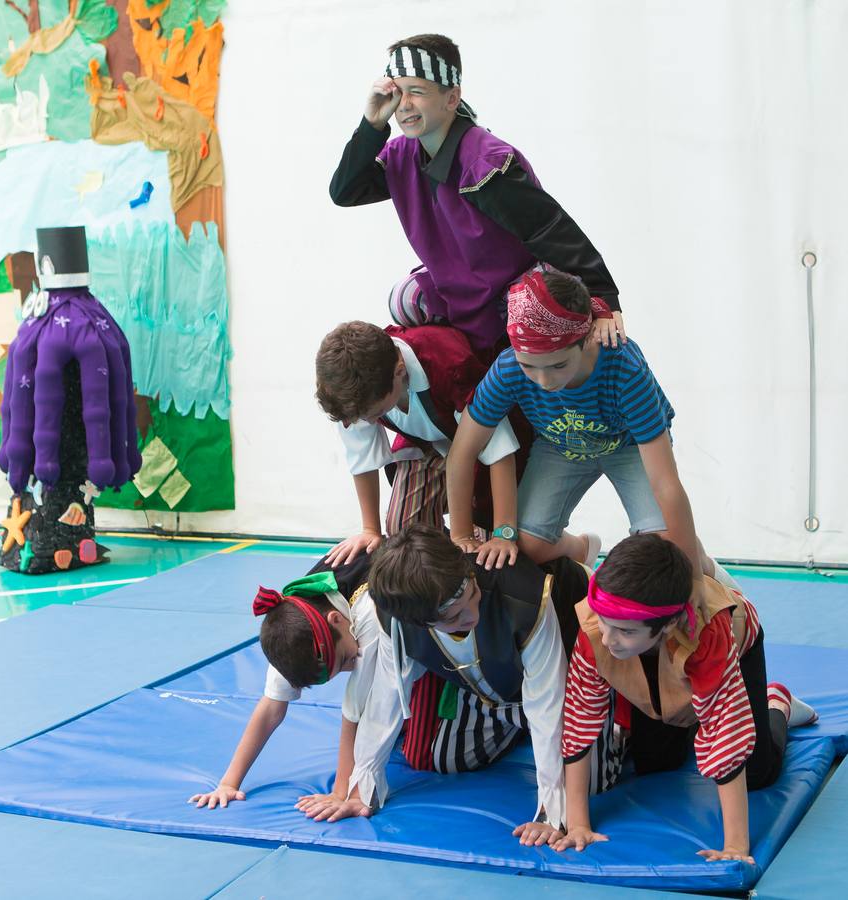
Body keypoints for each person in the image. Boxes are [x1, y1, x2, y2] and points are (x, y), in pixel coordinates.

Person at [296, 523, 591, 847]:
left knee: (589, 784)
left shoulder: (524, 596)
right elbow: (386, 698)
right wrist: (361, 788)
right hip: (494, 692)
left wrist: (552, 810)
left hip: (567, 687)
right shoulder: (395, 619)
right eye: (453, 617)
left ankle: (580, 560)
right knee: (444, 758)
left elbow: (549, 702)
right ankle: (521, 729)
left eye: (472, 595)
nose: (470, 614)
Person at [446, 266, 724, 609]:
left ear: (588, 337)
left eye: (559, 366)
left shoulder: (623, 369)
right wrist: (460, 535)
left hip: (627, 445)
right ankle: (580, 549)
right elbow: (462, 451)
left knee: (665, 547)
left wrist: (693, 578)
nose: (544, 380)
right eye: (529, 366)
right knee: (529, 547)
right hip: (560, 446)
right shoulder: (508, 369)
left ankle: (711, 570)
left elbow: (666, 483)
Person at [330, 33, 623, 354]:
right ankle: (458, 361)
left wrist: (603, 297)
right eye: (398, 93)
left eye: (417, 91)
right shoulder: (401, 154)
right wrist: (372, 124)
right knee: (404, 298)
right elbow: (346, 191)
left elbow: (547, 227)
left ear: (452, 98)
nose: (405, 104)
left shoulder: (484, 162)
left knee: (534, 310)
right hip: (459, 288)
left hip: (511, 290)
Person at [553, 534, 817, 863]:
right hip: (655, 661)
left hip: (735, 650)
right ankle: (690, 713)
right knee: (654, 762)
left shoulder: (709, 635)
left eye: (624, 630)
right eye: (606, 624)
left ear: (668, 625)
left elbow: (726, 731)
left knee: (756, 773)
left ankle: (775, 703)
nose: (608, 640)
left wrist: (735, 847)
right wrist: (577, 823)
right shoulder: (599, 629)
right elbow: (580, 719)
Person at [316, 320, 537, 571]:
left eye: (376, 413)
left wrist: (503, 533)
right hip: (427, 442)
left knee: (490, 554)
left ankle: (577, 549)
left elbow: (499, 451)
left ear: (400, 371)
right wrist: (370, 529)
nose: (368, 422)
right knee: (404, 533)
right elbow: (362, 455)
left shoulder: (450, 365)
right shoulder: (356, 392)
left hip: (484, 450)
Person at [188, 555, 379, 810]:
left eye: (345, 659)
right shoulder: (293, 630)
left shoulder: (368, 614)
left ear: (337, 619)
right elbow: (270, 710)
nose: (353, 661)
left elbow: (356, 707)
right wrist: (228, 784)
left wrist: (340, 792)